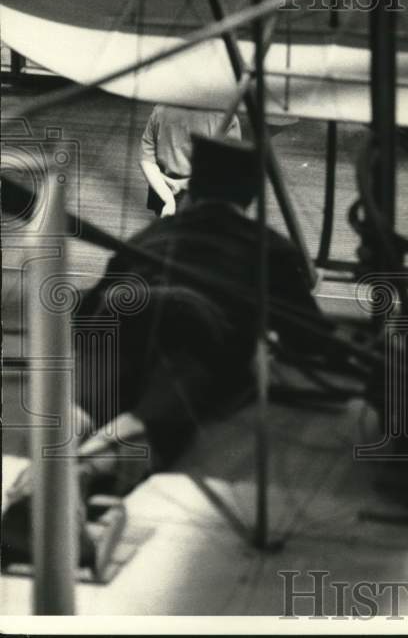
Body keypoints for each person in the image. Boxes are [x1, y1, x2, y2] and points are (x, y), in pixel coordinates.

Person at [2, 135, 329, 558]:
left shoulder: (154, 233)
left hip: (121, 308)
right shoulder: (269, 246)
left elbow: (87, 313)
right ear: (248, 197)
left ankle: (36, 482)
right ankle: (81, 478)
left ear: (195, 190)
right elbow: (312, 339)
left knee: (81, 405)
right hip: (194, 320)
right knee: (155, 418)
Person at [140, 103, 241, 216]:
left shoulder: (160, 109)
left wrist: (168, 199)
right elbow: (228, 167)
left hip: (161, 185)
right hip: (202, 190)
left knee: (165, 226)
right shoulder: (227, 118)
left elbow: (146, 160)